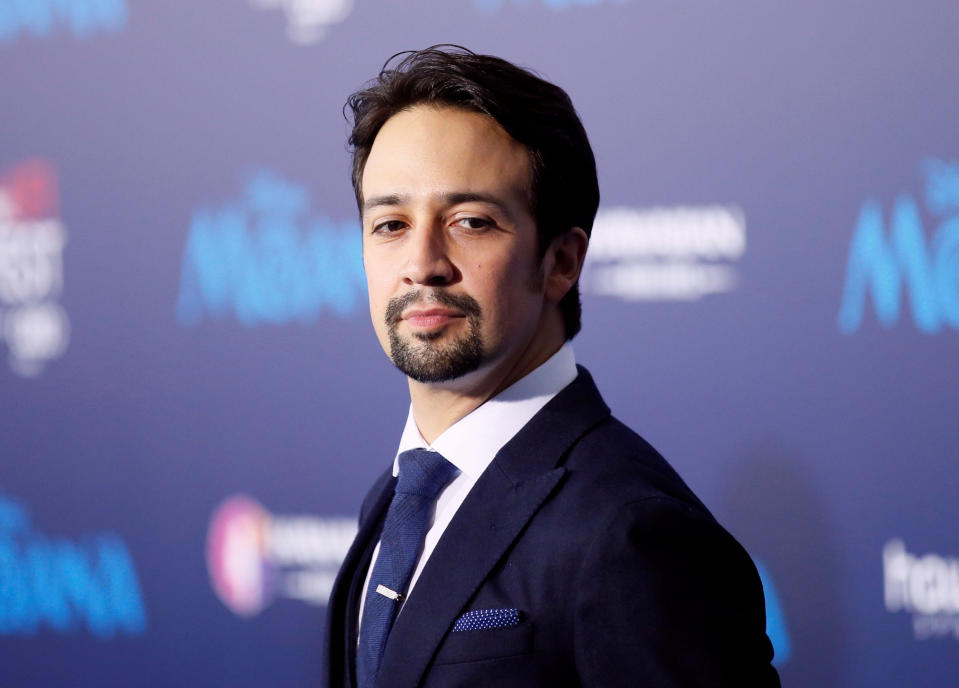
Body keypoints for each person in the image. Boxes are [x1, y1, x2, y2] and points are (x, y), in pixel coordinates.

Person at [325, 45, 781, 688]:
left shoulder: (630, 533)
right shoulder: (398, 498)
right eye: (391, 223)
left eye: (471, 221)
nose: (422, 262)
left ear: (562, 261)